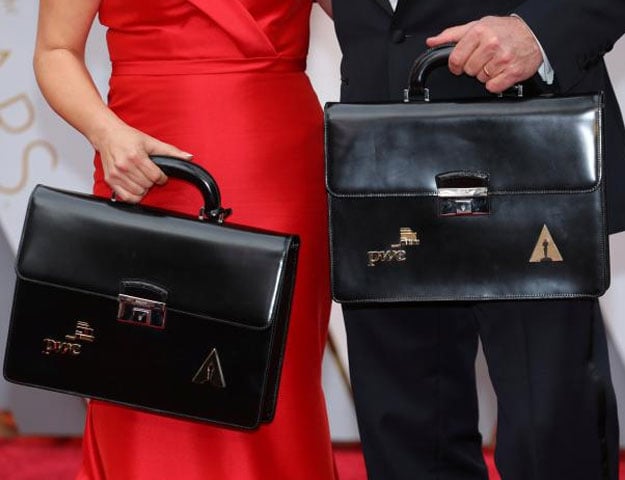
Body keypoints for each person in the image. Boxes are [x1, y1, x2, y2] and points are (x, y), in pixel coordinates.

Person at [33, 1, 337, 479]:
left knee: (270, 374)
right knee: (136, 371)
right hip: (144, 162)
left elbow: (376, 15)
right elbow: (54, 49)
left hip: (274, 165)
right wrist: (107, 134)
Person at [324, 0, 625, 479]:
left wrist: (540, 32)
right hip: (378, 154)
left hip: (531, 149)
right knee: (405, 437)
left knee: (551, 434)